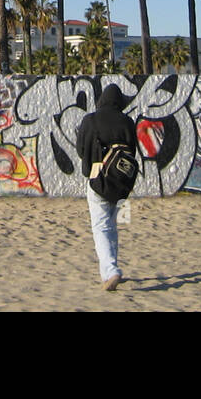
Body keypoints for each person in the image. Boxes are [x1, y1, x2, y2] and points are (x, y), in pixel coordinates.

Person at [76, 84, 138, 291]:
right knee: (112, 225)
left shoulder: (90, 120)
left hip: (98, 179)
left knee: (100, 226)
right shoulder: (127, 121)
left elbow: (80, 149)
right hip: (122, 184)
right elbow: (133, 152)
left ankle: (111, 271)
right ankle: (111, 267)